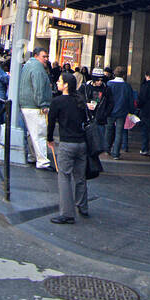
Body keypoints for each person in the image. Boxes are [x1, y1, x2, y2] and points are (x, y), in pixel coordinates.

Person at [47, 72, 90, 224]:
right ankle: (83, 206)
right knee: (80, 177)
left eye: (59, 81)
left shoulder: (57, 101)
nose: (57, 83)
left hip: (67, 143)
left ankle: (67, 213)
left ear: (66, 85)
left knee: (64, 177)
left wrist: (50, 139)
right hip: (82, 143)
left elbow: (51, 122)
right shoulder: (80, 100)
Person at [19, 48, 53, 169]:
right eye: (44, 56)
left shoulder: (29, 64)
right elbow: (38, 88)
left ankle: (33, 156)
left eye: (47, 57)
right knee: (39, 133)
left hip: (26, 104)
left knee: (31, 133)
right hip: (35, 106)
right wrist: (43, 104)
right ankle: (43, 161)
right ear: (36, 56)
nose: (46, 59)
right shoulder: (37, 68)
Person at [105, 67, 135, 159]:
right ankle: (116, 153)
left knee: (109, 131)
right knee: (119, 132)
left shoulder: (109, 84)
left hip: (110, 111)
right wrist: (131, 111)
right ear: (124, 75)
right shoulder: (127, 86)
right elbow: (130, 100)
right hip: (122, 112)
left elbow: (105, 98)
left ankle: (107, 148)